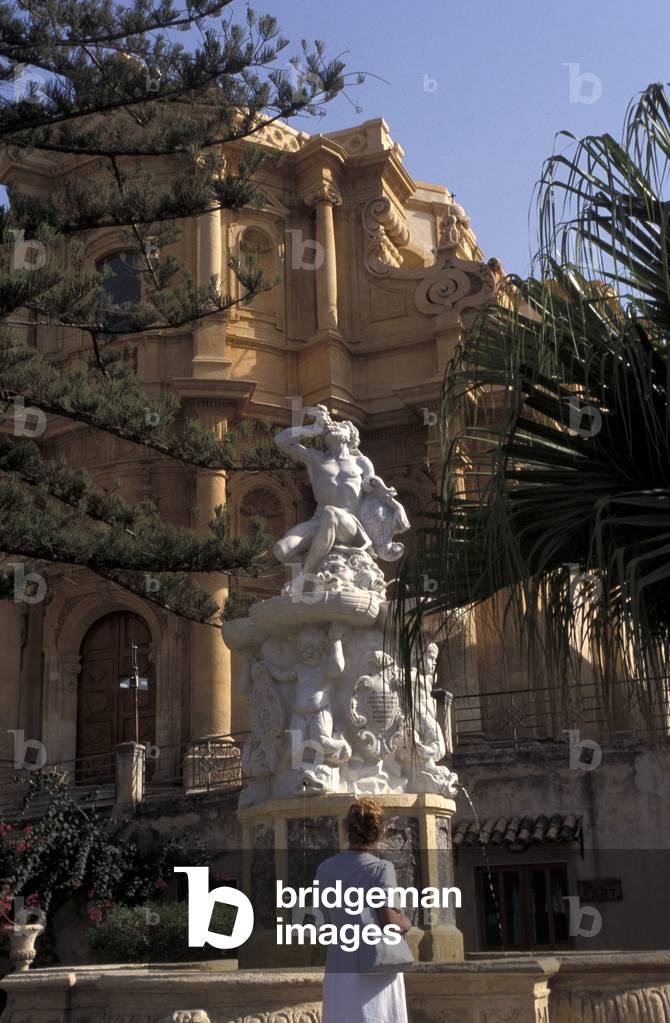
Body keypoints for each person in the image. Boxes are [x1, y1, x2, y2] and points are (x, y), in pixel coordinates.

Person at [315, 798, 412, 1023]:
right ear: (379, 832)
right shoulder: (381, 869)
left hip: (339, 970)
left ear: (346, 828)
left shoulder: (325, 869)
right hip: (376, 971)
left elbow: (324, 923)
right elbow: (389, 920)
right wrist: (406, 922)